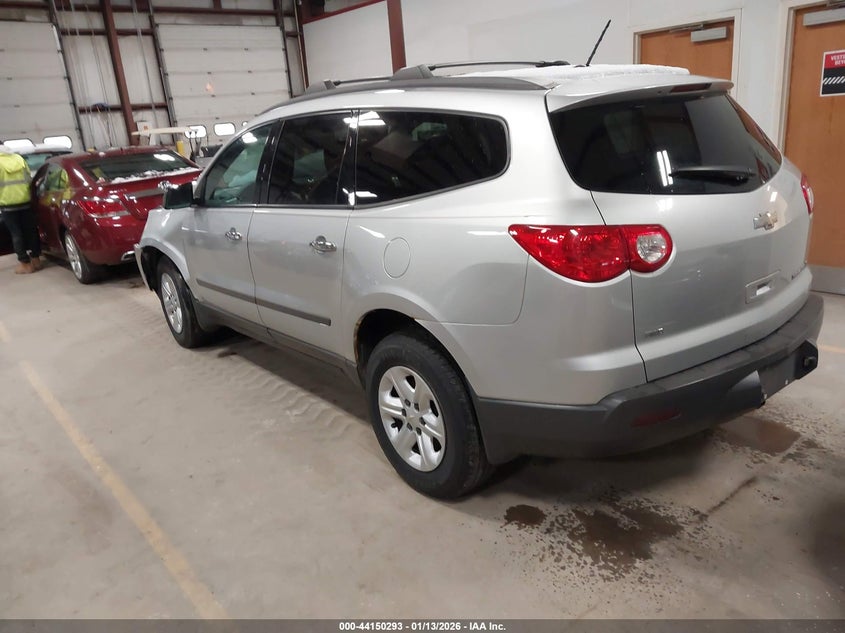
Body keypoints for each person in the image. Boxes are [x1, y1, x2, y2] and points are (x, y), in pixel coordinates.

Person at [0, 148, 41, 274]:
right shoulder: (19, 159)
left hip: (7, 204)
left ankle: (25, 264)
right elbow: (28, 179)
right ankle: (36, 260)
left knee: (16, 233)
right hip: (25, 201)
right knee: (31, 231)